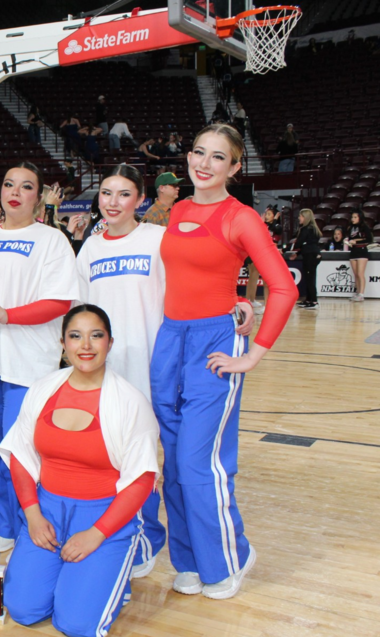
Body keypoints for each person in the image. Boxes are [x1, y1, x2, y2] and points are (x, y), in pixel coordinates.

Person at [150, 124, 297, 601]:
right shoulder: (180, 209)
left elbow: (284, 287)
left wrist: (254, 354)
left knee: (199, 463)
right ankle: (189, 560)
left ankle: (231, 557)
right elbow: (193, 271)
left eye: (218, 157)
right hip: (170, 340)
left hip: (213, 344)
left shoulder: (242, 218)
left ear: (234, 167)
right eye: (198, 152)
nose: (204, 163)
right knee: (172, 464)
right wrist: (236, 297)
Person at [0, 305, 159, 637]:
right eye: (76, 336)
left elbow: (142, 479)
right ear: (63, 343)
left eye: (96, 335)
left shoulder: (131, 403)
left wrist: (97, 533)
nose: (85, 345)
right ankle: (81, 579)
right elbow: (21, 456)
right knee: (24, 610)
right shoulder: (43, 390)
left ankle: (115, 569)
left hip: (103, 515)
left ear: (110, 343)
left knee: (78, 625)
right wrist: (32, 514)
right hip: (48, 511)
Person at [0, 161, 80, 551]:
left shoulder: (51, 240)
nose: (15, 192)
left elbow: (60, 302)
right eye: (8, 184)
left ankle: (33, 527)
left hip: (28, 364)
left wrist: (10, 315)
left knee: (24, 453)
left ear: (37, 197)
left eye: (26, 186)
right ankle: (5, 524)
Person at [74, 165, 167, 576]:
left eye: (123, 194)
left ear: (140, 200)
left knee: (144, 459)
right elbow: (79, 310)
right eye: (106, 193)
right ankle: (116, 532)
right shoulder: (90, 248)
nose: (112, 202)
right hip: (105, 371)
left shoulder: (157, 240)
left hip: (151, 366)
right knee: (110, 457)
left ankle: (147, 538)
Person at [290, 209, 322, 309]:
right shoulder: (312, 229)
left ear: (305, 217)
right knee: (309, 278)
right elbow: (308, 244)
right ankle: (309, 299)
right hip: (312, 255)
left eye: (301, 216)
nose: (299, 218)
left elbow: (299, 243)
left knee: (310, 279)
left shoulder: (306, 229)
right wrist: (298, 253)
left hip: (311, 256)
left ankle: (314, 301)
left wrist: (287, 248)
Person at [347, 209, 374, 302]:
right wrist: (348, 241)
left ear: (360, 218)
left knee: (360, 274)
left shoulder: (364, 227)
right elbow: (350, 238)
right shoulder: (350, 228)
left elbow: (369, 239)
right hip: (353, 251)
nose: (353, 219)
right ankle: (357, 293)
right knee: (355, 274)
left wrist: (356, 241)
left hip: (362, 251)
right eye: (352, 217)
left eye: (355, 217)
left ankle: (361, 294)